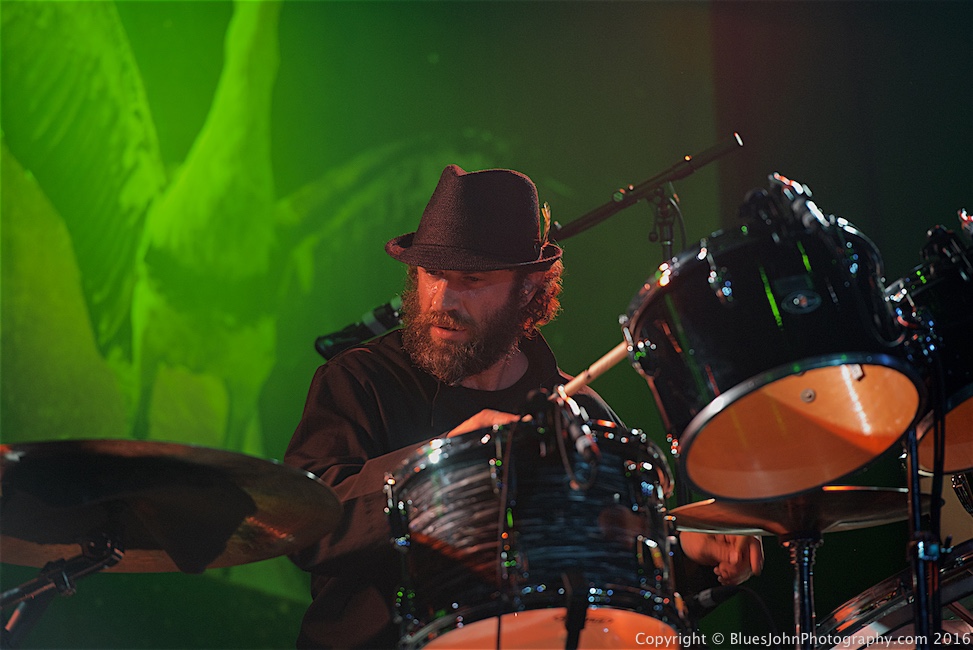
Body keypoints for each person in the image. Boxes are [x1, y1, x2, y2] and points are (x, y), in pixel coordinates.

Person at [284, 164, 764, 649]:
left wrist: (689, 556)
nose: (442, 299)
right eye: (432, 273)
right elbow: (303, 523)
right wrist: (440, 467)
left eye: (471, 278)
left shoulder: (579, 413)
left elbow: (621, 586)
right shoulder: (359, 379)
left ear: (529, 287)